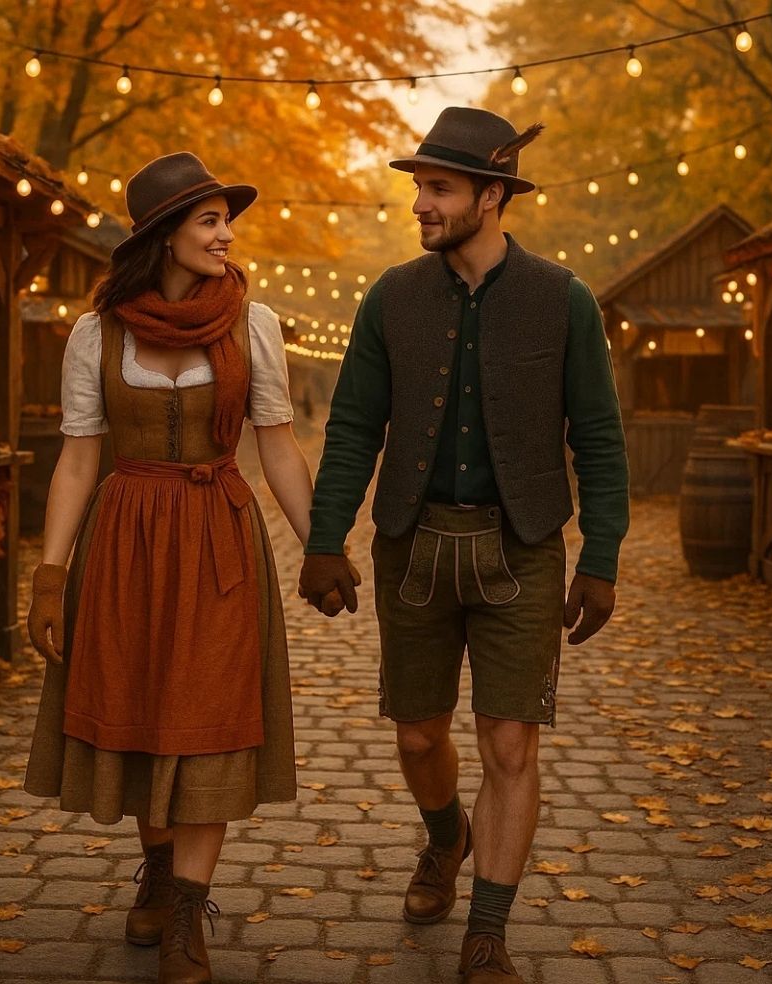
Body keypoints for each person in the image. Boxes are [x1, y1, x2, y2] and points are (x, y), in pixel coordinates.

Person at [298, 107, 630, 983]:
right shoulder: (390, 298)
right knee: (417, 737)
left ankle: (488, 931)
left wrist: (601, 557)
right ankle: (446, 837)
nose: (422, 205)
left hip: (522, 550)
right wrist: (326, 537)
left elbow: (598, 434)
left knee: (511, 745)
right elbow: (353, 429)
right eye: (418, 189)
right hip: (413, 544)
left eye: (439, 189)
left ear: (493, 195)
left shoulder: (564, 300)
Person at [23, 152, 323, 984]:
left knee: (211, 717)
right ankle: (157, 864)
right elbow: (79, 460)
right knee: (140, 707)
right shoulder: (98, 332)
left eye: (228, 220)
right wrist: (51, 573)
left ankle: (188, 911)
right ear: (163, 236)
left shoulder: (251, 326)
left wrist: (321, 545)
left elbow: (278, 447)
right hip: (126, 541)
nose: (227, 236)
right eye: (209, 221)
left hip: (220, 538)